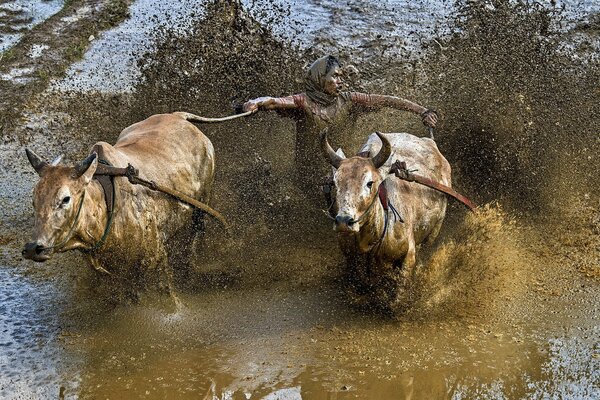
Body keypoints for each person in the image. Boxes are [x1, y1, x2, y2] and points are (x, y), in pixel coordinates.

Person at [242, 55, 438, 197]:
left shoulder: (350, 100)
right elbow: (274, 101)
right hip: (309, 180)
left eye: (341, 77)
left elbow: (386, 101)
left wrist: (422, 111)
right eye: (334, 76)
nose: (340, 81)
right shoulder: (303, 102)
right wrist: (255, 103)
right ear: (320, 79)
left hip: (346, 175)